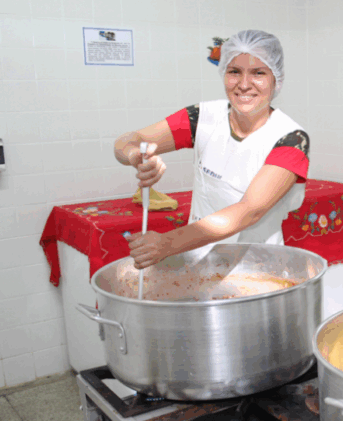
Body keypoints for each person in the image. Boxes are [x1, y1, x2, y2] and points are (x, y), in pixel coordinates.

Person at [113, 30, 310, 269]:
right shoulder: (203, 118)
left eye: (258, 73)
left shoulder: (291, 138)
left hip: (258, 268)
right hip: (198, 262)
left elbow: (249, 210)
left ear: (275, 79)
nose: (244, 84)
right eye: (234, 71)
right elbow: (129, 140)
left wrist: (167, 243)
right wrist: (137, 155)